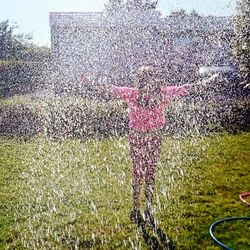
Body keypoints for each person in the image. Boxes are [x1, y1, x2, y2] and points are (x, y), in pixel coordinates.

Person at [82, 66, 217, 224]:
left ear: (156, 82)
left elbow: (186, 88)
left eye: (151, 81)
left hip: (154, 138)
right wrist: (90, 82)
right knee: (137, 174)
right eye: (145, 81)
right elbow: (110, 89)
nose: (149, 85)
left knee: (150, 174)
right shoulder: (132, 94)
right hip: (137, 138)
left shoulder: (164, 94)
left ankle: (149, 207)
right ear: (140, 82)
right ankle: (135, 207)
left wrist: (208, 81)